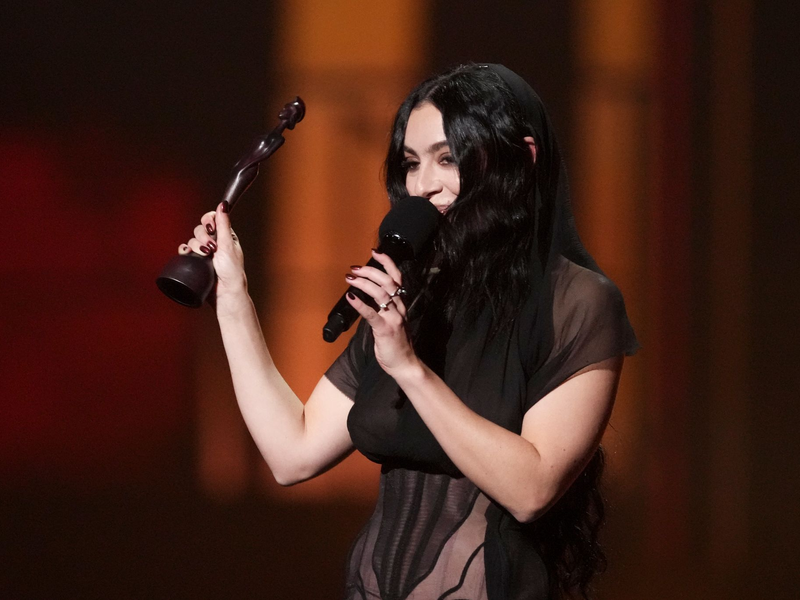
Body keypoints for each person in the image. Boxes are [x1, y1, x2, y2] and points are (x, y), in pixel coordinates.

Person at [179, 63, 639, 600]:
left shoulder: (578, 301)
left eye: (448, 159)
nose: (423, 186)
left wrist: (408, 368)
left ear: (523, 158)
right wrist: (232, 296)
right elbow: (291, 453)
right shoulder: (413, 298)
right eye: (412, 163)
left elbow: (532, 490)